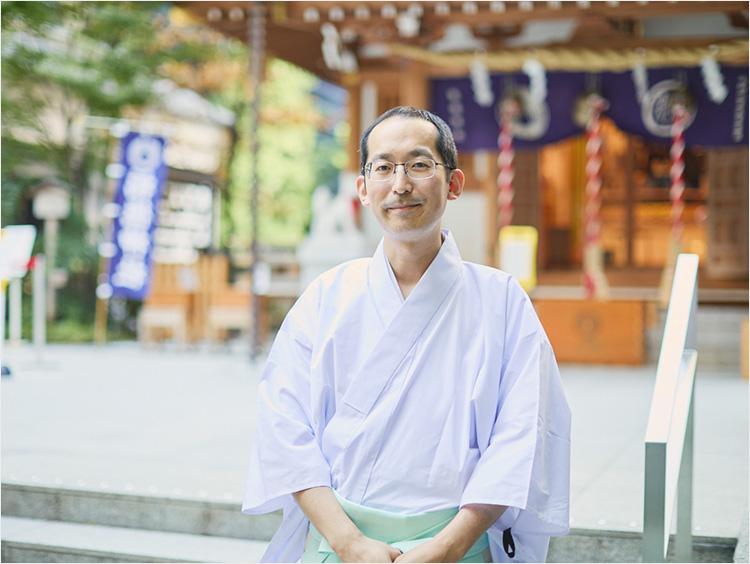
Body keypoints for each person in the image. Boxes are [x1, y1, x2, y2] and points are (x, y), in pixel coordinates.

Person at [243, 106, 571, 563]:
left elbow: (523, 433)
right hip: (341, 541)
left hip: (456, 545)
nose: (400, 185)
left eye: (419, 165)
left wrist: (448, 546)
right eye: (383, 168)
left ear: (453, 183)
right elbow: (284, 426)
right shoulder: (326, 296)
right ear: (362, 188)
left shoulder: (502, 300)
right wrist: (349, 542)